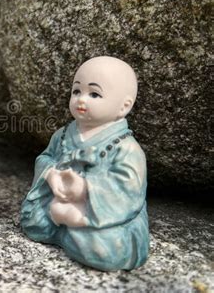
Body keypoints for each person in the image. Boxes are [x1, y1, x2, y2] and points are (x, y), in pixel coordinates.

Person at [21, 56, 149, 271]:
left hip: (102, 216)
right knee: (33, 222)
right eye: (77, 91)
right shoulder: (62, 135)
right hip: (58, 198)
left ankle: (73, 220)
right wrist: (51, 175)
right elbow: (45, 158)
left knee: (106, 250)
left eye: (95, 94)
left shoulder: (126, 148)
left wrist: (83, 189)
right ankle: (62, 219)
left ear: (124, 106)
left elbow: (128, 190)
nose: (81, 100)